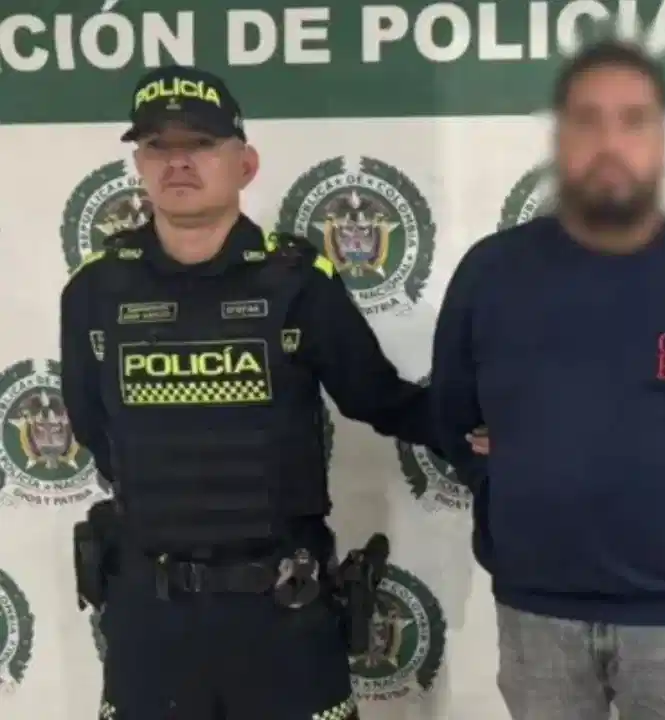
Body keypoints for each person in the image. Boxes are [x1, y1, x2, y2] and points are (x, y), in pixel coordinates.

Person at [60, 65, 446, 720]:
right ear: (139, 163)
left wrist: (482, 423)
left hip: (281, 616)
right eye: (157, 145)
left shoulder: (297, 281)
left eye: (201, 143)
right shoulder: (95, 290)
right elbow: (94, 427)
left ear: (245, 163)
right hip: (151, 622)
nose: (178, 162)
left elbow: (377, 397)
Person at [430, 40, 665, 720]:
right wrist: (511, 482)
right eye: (587, 120)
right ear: (559, 139)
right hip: (538, 607)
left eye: (633, 121)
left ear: (662, 142)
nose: (610, 142)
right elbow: (451, 414)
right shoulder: (492, 272)